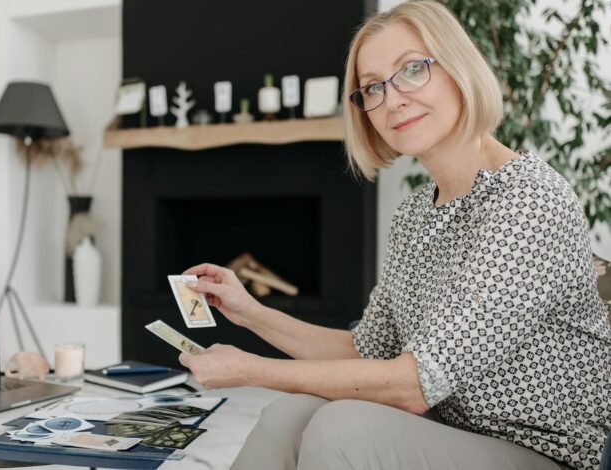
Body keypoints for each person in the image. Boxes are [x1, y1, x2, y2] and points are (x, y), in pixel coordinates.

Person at [177, 1, 611, 469]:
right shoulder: (415, 215)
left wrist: (249, 370)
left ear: (458, 68)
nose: (393, 98)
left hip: (541, 453)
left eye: (412, 70)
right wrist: (251, 313)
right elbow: (366, 351)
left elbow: (412, 385)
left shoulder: (528, 201)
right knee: (290, 415)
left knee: (340, 428)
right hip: (449, 432)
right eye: (372, 88)